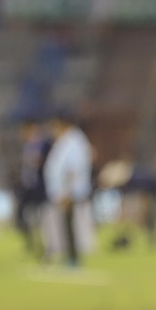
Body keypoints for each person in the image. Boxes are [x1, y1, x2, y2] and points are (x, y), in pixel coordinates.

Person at [42, 111, 95, 266]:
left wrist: (67, 191)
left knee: (70, 226)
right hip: (64, 192)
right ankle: (70, 258)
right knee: (66, 226)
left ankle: (73, 259)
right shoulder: (66, 140)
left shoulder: (74, 141)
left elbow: (72, 169)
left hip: (69, 192)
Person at [14, 120, 51, 256]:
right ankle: (32, 245)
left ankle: (44, 249)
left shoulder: (44, 144)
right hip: (28, 188)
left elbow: (48, 162)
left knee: (41, 220)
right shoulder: (28, 146)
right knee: (20, 217)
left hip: (40, 189)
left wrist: (38, 161)